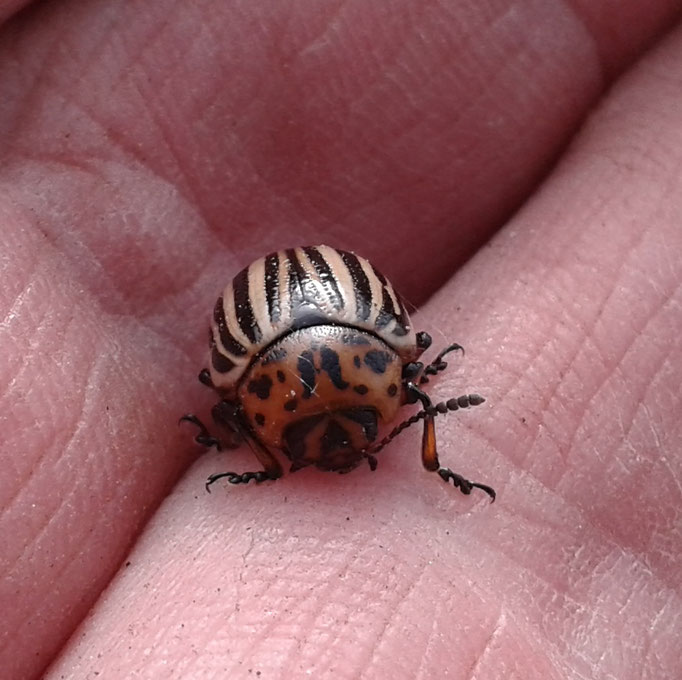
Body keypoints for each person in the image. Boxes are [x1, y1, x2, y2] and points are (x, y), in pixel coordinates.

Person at [1, 2, 680, 679]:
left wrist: (269, 455)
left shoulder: (310, 379)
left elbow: (242, 400)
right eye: (360, 429)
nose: (345, 453)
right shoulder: (353, 373)